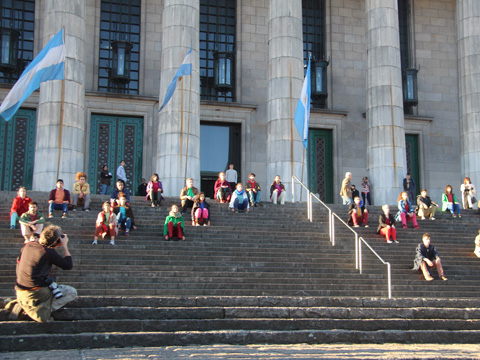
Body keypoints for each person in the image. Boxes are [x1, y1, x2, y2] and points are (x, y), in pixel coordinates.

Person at [4, 225, 76, 322]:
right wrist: (64, 246)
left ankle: (25, 305)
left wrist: (54, 244)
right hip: (36, 292)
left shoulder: (28, 245)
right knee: (72, 292)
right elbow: (68, 265)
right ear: (56, 241)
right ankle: (38, 311)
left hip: (20, 291)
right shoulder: (47, 252)